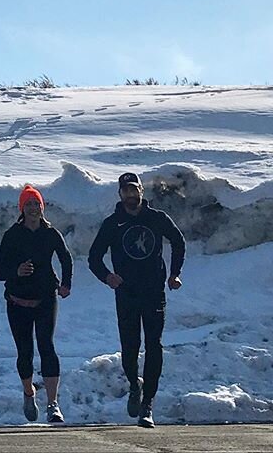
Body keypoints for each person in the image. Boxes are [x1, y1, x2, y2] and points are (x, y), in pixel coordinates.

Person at [88, 172, 185, 428]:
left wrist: (174, 274)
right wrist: (107, 277)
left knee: (154, 345)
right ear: (120, 194)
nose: (131, 194)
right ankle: (134, 384)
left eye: (135, 189)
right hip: (127, 294)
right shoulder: (113, 223)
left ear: (141, 191)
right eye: (126, 190)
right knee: (130, 348)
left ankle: (148, 404)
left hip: (154, 292)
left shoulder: (156, 218)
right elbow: (94, 257)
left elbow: (178, 241)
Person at [0, 185, 73, 423]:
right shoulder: (12, 235)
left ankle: (53, 403)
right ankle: (29, 392)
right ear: (22, 208)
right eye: (28, 204)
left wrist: (66, 284)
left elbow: (66, 258)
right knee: (25, 352)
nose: (33, 208)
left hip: (45, 299)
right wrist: (16, 271)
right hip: (18, 301)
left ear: (42, 207)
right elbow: (0, 272)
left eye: (36, 204)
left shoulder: (50, 233)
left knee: (47, 347)